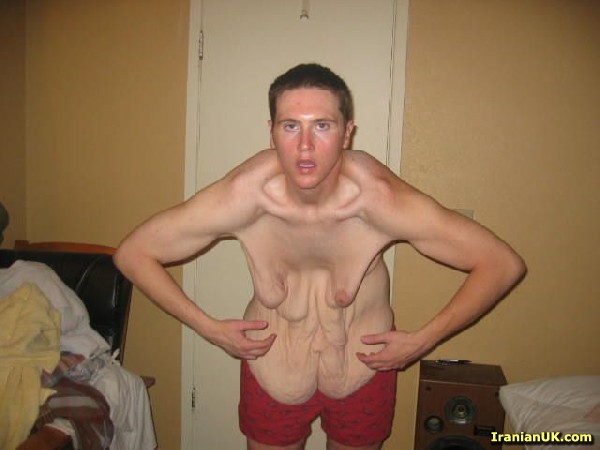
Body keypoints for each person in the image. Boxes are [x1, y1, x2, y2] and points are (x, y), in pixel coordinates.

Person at [114, 63, 526, 450]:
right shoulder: (243, 195)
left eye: (322, 126)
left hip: (364, 367)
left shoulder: (380, 200)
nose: (305, 145)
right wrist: (210, 329)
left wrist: (423, 340)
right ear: (271, 132)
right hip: (271, 366)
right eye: (291, 126)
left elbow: (502, 264)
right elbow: (134, 254)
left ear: (347, 133)